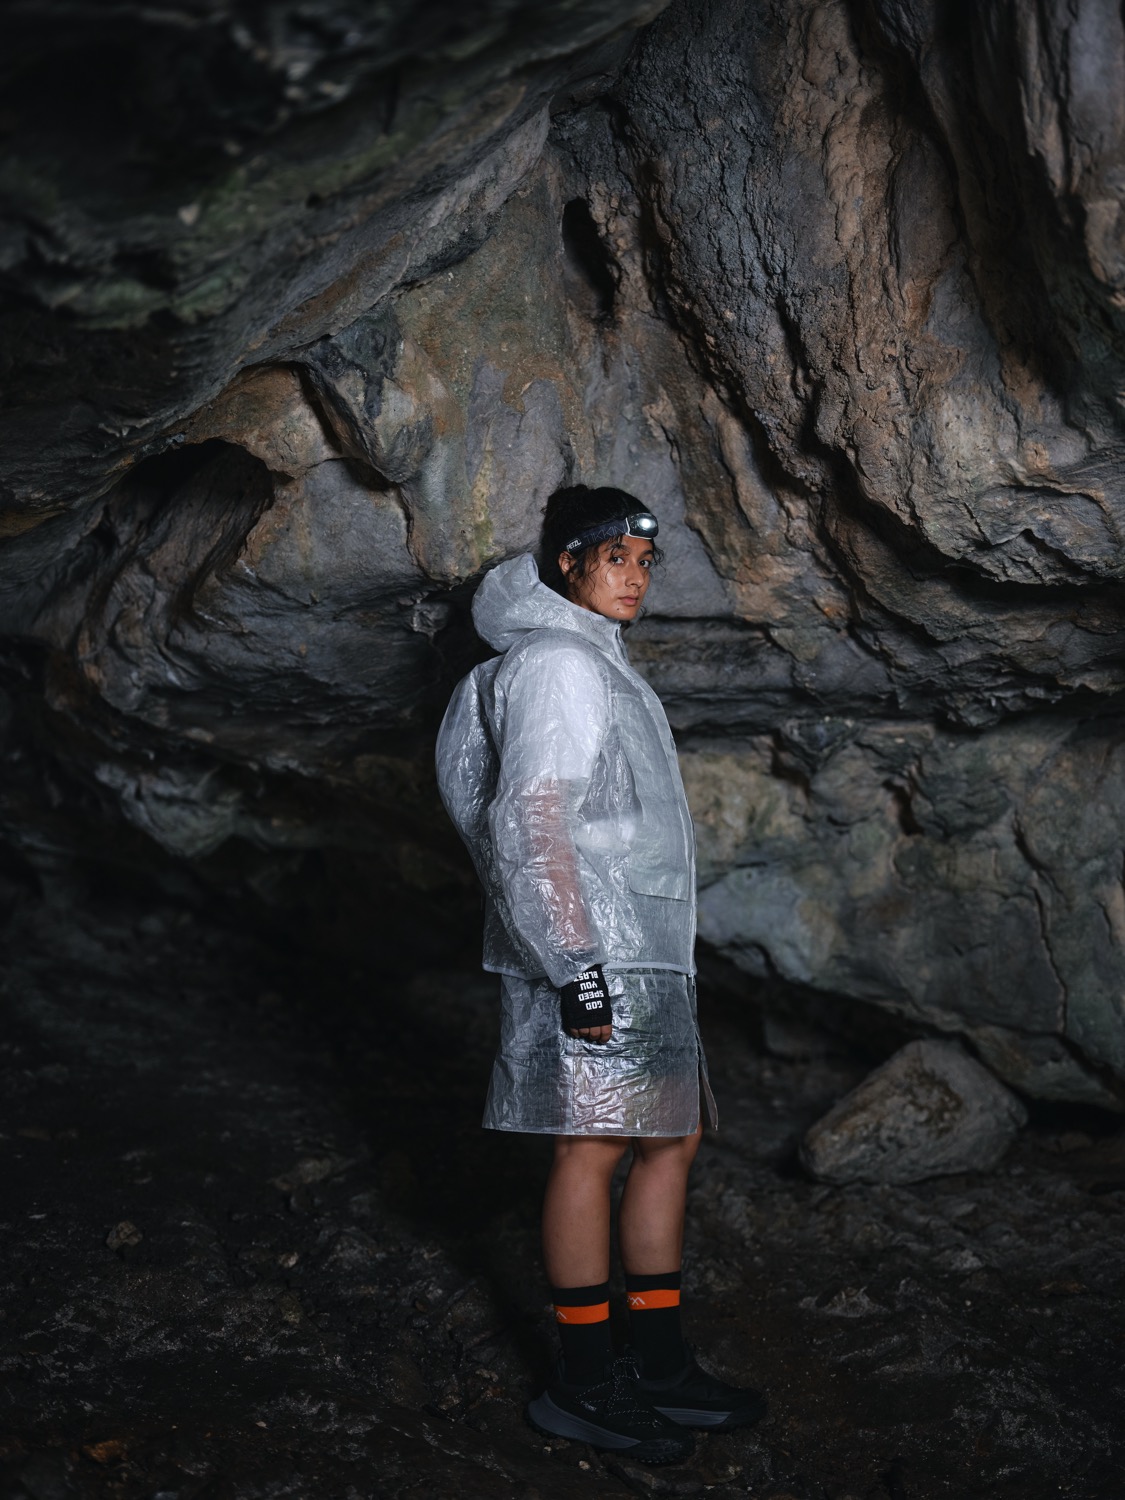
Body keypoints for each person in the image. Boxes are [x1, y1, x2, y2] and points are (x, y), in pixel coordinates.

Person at [436, 484, 766, 1465]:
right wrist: (572, 961)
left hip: (642, 942)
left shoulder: (600, 664)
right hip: (592, 945)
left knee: (670, 1138)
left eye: (644, 561)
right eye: (613, 557)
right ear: (567, 563)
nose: (634, 576)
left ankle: (656, 1365)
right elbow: (530, 813)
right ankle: (583, 1383)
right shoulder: (556, 663)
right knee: (591, 1148)